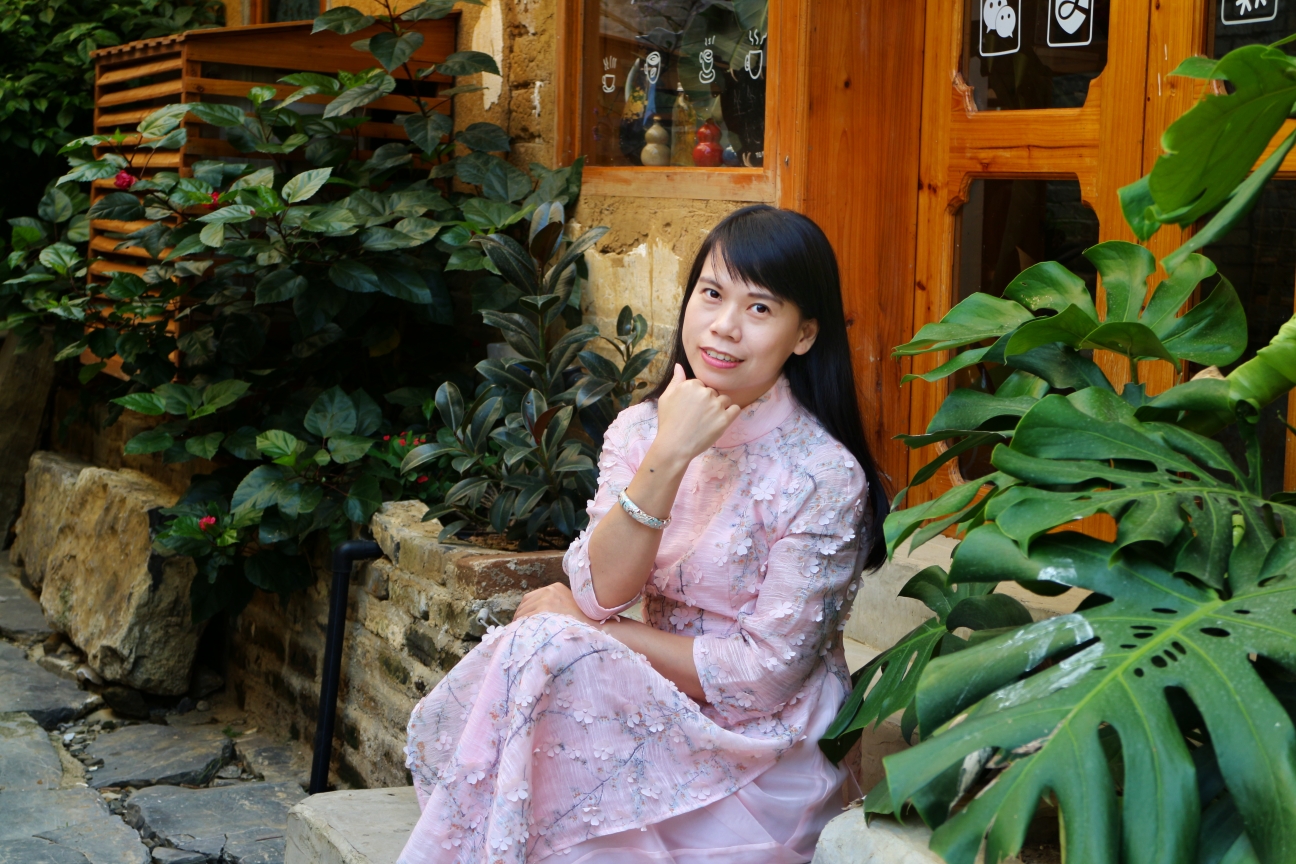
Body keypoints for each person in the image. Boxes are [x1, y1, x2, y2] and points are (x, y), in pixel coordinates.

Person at [399, 204, 889, 864]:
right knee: (541, 650)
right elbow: (600, 593)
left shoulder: (823, 474)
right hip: (657, 700)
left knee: (549, 643)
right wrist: (669, 454)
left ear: (803, 335)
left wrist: (591, 632)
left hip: (763, 748)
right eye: (711, 294)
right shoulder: (639, 429)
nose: (725, 325)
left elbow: (764, 677)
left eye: (759, 308)